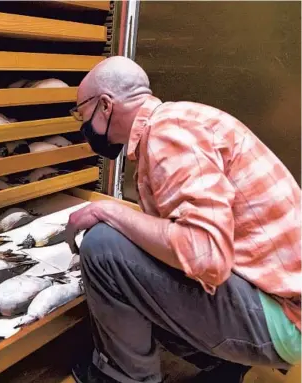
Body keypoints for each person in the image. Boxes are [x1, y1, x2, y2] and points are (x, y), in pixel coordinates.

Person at [65, 56, 301, 383]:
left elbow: (205, 256)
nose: (83, 126)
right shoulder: (180, 119)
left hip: (284, 320)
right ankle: (223, 365)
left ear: (105, 106)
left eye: (81, 113)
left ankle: (121, 378)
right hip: (280, 300)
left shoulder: (167, 134)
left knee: (102, 247)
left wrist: (107, 210)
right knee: (137, 246)